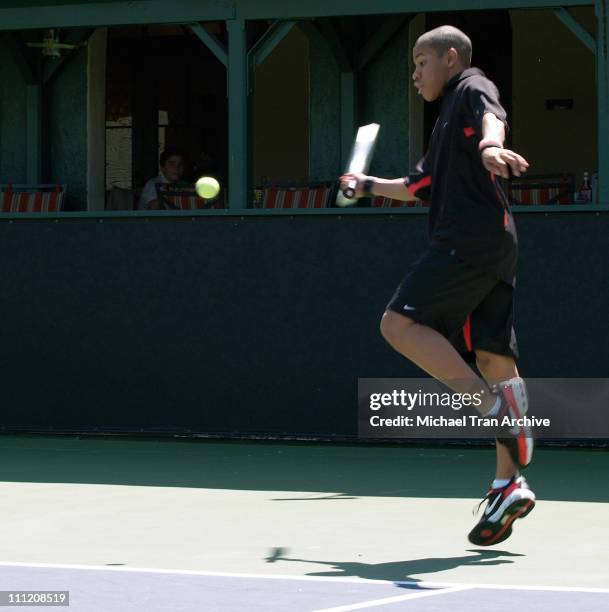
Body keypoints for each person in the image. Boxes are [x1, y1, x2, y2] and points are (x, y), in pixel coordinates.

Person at [340, 25, 535, 546]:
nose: (414, 75)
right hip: (493, 243)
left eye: (420, 63)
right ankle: (507, 484)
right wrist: (367, 186)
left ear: (450, 58)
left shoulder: (471, 87)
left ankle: (489, 409)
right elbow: (418, 187)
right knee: (495, 359)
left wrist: (493, 144)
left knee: (398, 324)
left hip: (467, 239)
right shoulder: (446, 117)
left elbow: (493, 116)